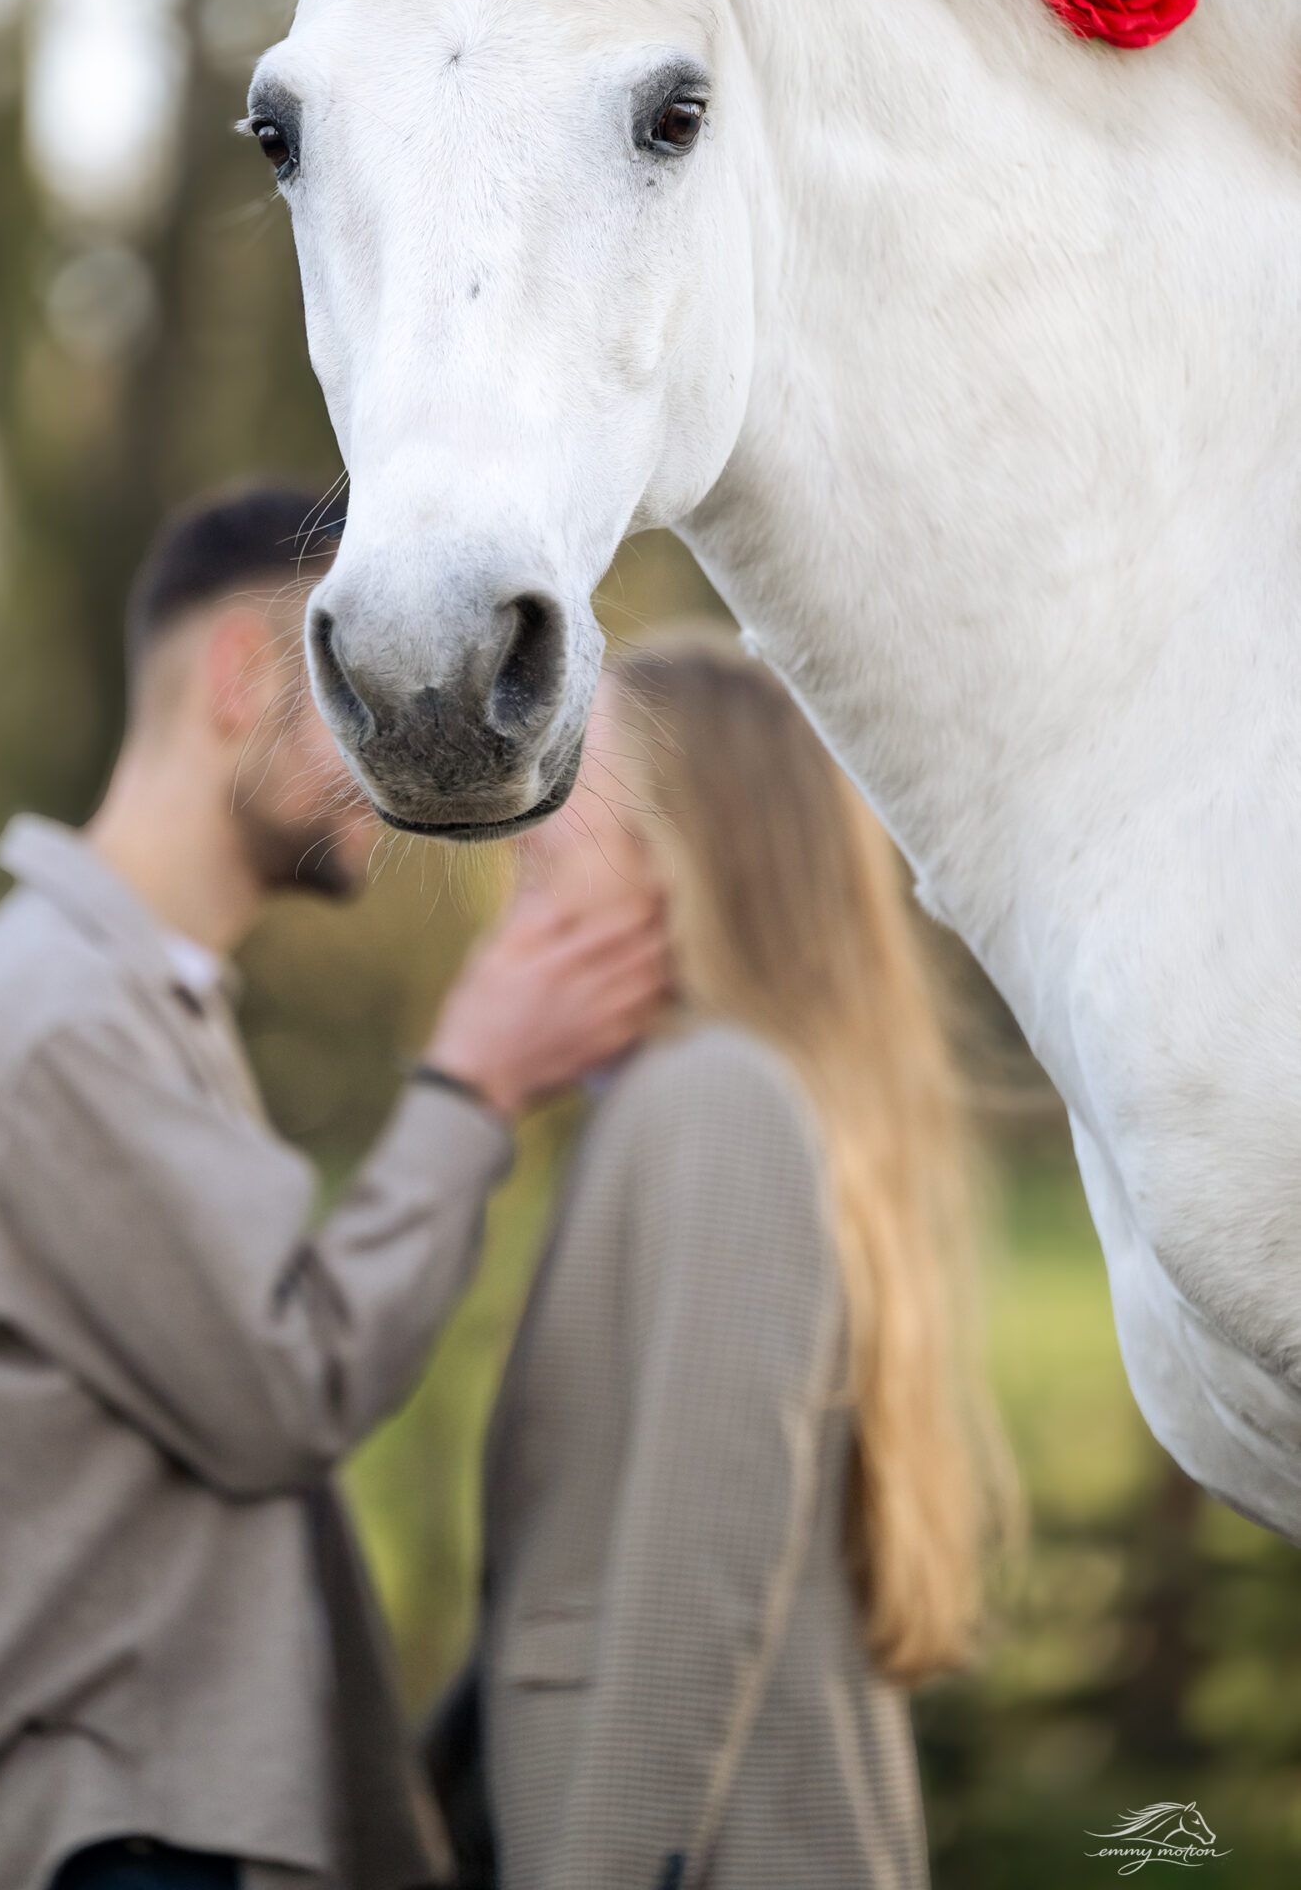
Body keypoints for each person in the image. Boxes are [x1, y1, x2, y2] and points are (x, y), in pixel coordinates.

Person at [0, 486, 672, 1890]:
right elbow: (286, 1383)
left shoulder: (131, 1006)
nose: (391, 753)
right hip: (122, 1843)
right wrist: (469, 1086)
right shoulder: (50, 1023)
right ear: (246, 677)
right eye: (346, 679)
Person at [430, 626, 1004, 1890]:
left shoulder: (722, 1101)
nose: (525, 823)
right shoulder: (676, 1097)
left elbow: (698, 1570)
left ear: (698, 844)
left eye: (572, 781)